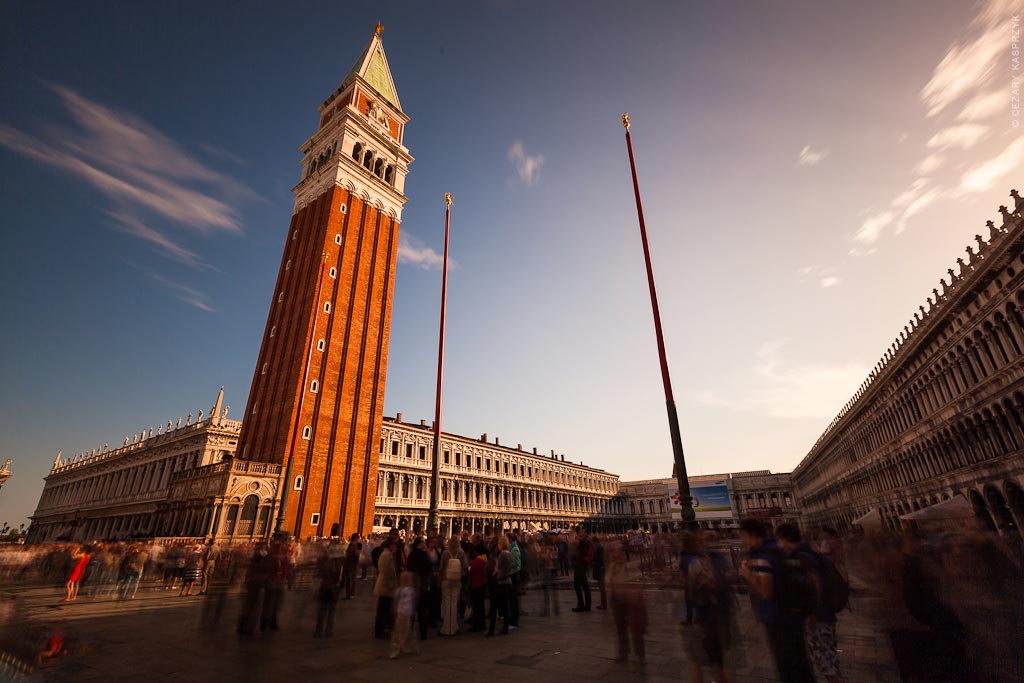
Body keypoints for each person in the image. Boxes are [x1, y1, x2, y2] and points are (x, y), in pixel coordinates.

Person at [738, 518, 816, 683]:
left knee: (786, 665)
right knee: (800, 661)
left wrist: (748, 575)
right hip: (794, 613)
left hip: (776, 616)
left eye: (744, 536)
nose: (743, 540)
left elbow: (766, 592)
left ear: (751, 535)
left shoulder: (763, 557)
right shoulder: (778, 548)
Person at [777, 524, 843, 683]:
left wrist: (813, 614)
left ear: (784, 539)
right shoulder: (809, 552)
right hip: (823, 615)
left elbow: (816, 585)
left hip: (819, 618)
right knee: (826, 660)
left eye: (779, 540)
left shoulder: (803, 556)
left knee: (826, 662)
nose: (778, 544)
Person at [608, 543, 647, 663]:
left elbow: (638, 580)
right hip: (617, 600)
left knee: (635, 628)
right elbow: (609, 582)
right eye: (613, 551)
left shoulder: (629, 567)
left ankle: (640, 654)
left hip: (630, 600)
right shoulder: (612, 566)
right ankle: (623, 652)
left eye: (616, 551)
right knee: (621, 628)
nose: (614, 554)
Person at [439, 537, 467, 635]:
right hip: (457, 579)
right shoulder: (461, 553)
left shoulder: (446, 553)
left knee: (447, 603)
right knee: (454, 603)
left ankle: (446, 628)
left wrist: (441, 577)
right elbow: (465, 566)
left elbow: (441, 567)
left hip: (446, 579)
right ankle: (454, 627)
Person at [487, 535, 513, 636]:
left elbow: (497, 568)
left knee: (494, 607)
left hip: (500, 582)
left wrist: (494, 571)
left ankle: (491, 630)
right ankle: (505, 628)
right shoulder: (509, 554)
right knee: (505, 607)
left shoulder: (502, 554)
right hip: (508, 582)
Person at [314, 545, 341, 638]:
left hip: (325, 588)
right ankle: (329, 631)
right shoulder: (337, 564)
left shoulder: (323, 563)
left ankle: (319, 631)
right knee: (331, 611)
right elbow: (339, 578)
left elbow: (319, 574)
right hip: (333, 589)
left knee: (322, 611)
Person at [390, 571, 419, 658]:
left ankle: (401, 647)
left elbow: (396, 602)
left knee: (402, 631)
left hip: (402, 613)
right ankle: (399, 648)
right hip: (404, 613)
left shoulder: (402, 590)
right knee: (402, 631)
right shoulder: (408, 590)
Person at [373, 539, 398, 639]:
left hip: (386, 586)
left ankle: (381, 629)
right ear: (390, 546)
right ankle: (379, 631)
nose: (396, 548)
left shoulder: (388, 555)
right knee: (382, 610)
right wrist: (392, 584)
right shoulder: (386, 556)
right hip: (385, 586)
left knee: (384, 609)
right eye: (394, 545)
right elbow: (386, 572)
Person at [572, 527, 593, 612]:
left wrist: (574, 535)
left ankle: (583, 605)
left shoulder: (585, 541)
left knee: (580, 585)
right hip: (580, 565)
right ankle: (585, 605)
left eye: (582, 532)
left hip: (581, 565)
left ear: (585, 533)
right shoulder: (585, 541)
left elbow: (574, 541)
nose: (580, 533)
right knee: (583, 585)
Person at [467, 550, 489, 632]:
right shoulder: (482, 561)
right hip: (483, 585)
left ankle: (476, 625)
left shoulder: (475, 562)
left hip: (476, 585)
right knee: (481, 605)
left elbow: (470, 573)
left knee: (476, 606)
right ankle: (482, 624)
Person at [342, 533, 360, 599]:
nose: (359, 539)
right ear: (355, 538)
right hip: (351, 564)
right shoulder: (352, 545)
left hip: (351, 564)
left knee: (350, 580)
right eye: (358, 537)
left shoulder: (354, 546)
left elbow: (351, 554)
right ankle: (350, 594)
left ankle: (350, 594)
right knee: (351, 580)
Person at [592, 535, 607, 610]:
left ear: (595, 542)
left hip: (600, 568)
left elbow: (600, 559)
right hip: (600, 568)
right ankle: (603, 603)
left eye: (593, 543)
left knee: (602, 587)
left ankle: (604, 604)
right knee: (601, 587)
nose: (593, 545)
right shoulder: (599, 548)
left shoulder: (599, 548)